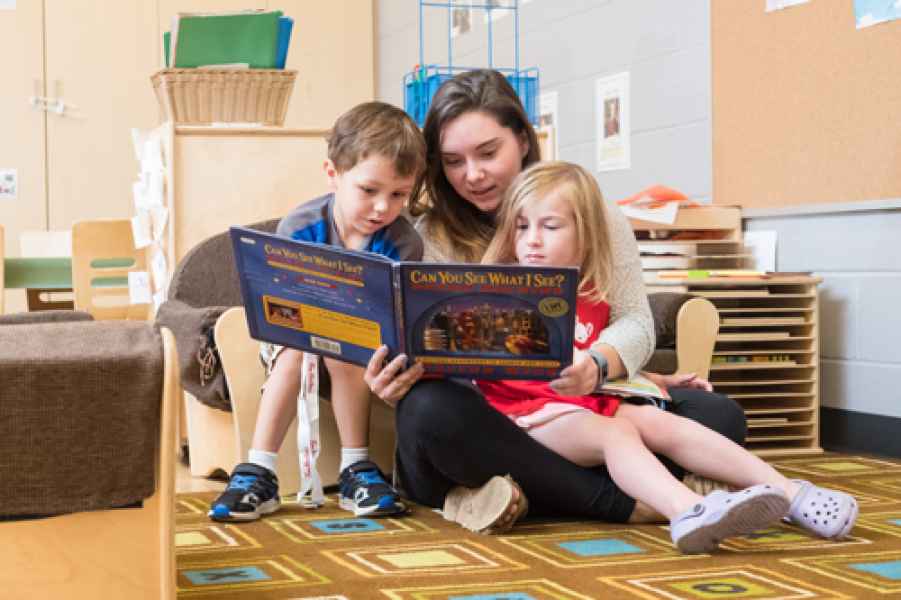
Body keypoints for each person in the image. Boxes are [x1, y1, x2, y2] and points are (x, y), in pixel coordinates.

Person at [361, 68, 749, 532]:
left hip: (582, 405)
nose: (474, 174)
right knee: (429, 412)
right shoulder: (426, 237)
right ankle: (623, 502)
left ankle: (511, 496)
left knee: (717, 415)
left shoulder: (592, 213)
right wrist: (392, 382)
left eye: (488, 153)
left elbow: (634, 322)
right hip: (491, 415)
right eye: (453, 161)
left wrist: (603, 367)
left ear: (523, 140)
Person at [475, 161, 858, 552]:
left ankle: (790, 493)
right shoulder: (499, 290)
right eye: (522, 227)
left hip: (582, 401)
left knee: (660, 422)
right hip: (524, 411)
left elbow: (592, 361)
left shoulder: (591, 291)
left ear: (586, 236)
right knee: (617, 433)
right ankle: (688, 509)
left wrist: (649, 380)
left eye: (550, 226)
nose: (532, 240)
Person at [209, 101, 426, 522]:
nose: (383, 208)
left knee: (343, 347)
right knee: (303, 350)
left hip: (363, 351)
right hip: (294, 339)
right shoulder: (300, 225)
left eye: (398, 195)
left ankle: (356, 467)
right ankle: (259, 469)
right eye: (369, 190)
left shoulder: (403, 242)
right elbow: (281, 303)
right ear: (334, 175)